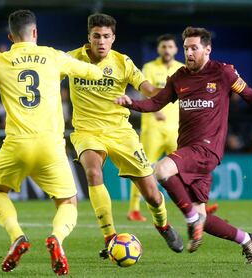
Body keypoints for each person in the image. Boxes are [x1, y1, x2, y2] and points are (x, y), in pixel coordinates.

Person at [0, 10, 103, 275]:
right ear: (35, 32)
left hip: (17, 144)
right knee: (68, 202)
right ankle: (57, 238)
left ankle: (17, 237)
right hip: (51, 146)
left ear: (11, 36)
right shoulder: (53, 56)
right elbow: (93, 74)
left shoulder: (1, 59)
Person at [115, 26, 252, 264]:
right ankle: (247, 239)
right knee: (203, 216)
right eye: (187, 48)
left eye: (194, 48)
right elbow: (156, 103)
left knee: (161, 170)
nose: (189, 53)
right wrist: (131, 104)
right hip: (187, 149)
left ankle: (190, 220)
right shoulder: (179, 77)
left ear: (207, 49)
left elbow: (250, 95)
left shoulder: (223, 72)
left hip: (208, 148)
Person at [65, 13, 184, 259]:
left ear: (113, 38)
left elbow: (149, 90)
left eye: (106, 37)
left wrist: (175, 91)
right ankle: (110, 237)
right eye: (96, 36)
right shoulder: (70, 59)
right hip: (87, 131)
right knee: (93, 171)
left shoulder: (123, 62)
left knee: (151, 192)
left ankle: (162, 225)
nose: (101, 41)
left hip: (121, 132)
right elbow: (47, 78)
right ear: (89, 37)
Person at [127, 34, 218, 222]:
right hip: (153, 128)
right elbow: (147, 93)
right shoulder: (150, 67)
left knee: (185, 169)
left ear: (176, 49)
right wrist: (154, 112)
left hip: (176, 129)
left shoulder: (182, 68)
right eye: (163, 47)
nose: (167, 50)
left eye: (170, 47)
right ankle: (134, 209)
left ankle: (199, 207)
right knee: (144, 168)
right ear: (158, 49)